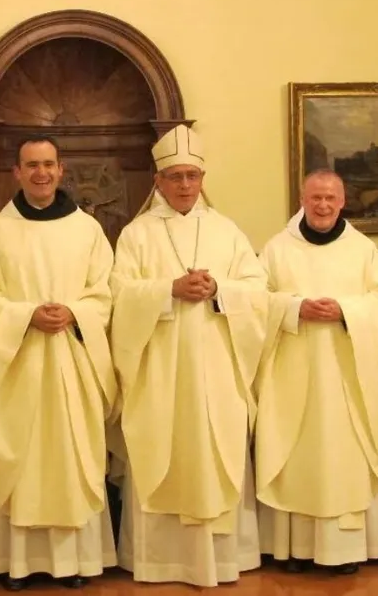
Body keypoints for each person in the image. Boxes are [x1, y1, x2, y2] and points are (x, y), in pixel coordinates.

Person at [108, 124, 267, 587]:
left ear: (202, 179)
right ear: (158, 180)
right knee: (160, 448)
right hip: (160, 370)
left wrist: (219, 289)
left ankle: (222, 558)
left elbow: (258, 291)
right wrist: (168, 290)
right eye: (174, 176)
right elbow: (119, 296)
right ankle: (160, 560)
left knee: (216, 451)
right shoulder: (137, 234)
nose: (183, 185)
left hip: (217, 368)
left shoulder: (227, 231)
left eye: (191, 176)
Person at [0, 135, 118, 590]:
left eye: (48, 164)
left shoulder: (87, 231)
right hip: (15, 365)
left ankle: (75, 563)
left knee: (70, 459)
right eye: (31, 165)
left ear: (61, 170)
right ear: (17, 172)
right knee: (20, 458)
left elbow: (105, 291)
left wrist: (75, 312)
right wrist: (25, 315)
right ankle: (16, 563)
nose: (41, 173)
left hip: (72, 362)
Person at [254, 169, 378, 575]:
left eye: (331, 198)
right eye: (315, 197)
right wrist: (294, 307)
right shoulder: (277, 249)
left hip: (347, 377)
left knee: (342, 458)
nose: (323, 205)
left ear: (343, 201)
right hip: (292, 375)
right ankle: (295, 548)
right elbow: (256, 302)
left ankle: (343, 551)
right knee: (296, 454)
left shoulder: (363, 250)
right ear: (302, 199)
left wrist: (346, 310)